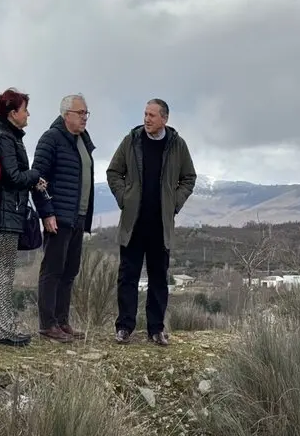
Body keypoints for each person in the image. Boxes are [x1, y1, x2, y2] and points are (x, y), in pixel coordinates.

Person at [107, 98, 196, 346]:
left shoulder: (177, 145)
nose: (147, 119)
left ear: (164, 119)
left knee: (159, 277)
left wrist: (174, 203)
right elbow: (114, 172)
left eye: (152, 115)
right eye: (145, 114)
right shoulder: (132, 140)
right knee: (128, 276)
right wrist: (124, 197)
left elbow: (189, 177)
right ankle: (124, 327)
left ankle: (156, 329)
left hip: (160, 224)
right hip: (133, 222)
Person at [0, 88, 46, 347]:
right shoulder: (5, 138)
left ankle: (1, 326)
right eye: (24, 109)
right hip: (5, 212)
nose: (28, 114)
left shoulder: (7, 135)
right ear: (12, 113)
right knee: (1, 271)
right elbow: (13, 176)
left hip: (9, 210)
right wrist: (34, 174)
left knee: (3, 270)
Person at [31, 94, 95, 342]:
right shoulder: (52, 139)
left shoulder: (83, 141)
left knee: (70, 271)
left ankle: (62, 321)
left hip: (78, 216)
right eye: (81, 113)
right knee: (53, 270)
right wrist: (46, 212)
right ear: (66, 114)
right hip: (58, 216)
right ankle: (48, 324)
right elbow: (38, 179)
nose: (84, 118)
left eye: (86, 113)